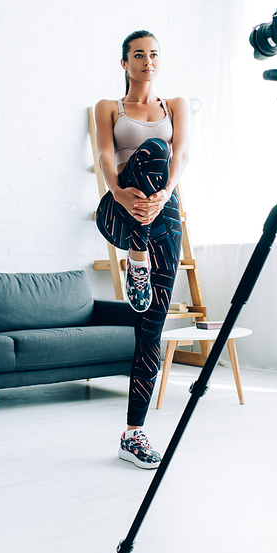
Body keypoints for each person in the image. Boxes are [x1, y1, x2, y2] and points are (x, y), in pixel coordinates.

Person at [94, 30, 189, 469]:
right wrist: (118, 191)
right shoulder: (108, 108)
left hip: (164, 219)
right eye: (138, 54)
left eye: (153, 53)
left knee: (150, 331)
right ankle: (136, 258)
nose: (147, 60)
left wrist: (166, 193)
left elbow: (182, 155)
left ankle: (134, 434)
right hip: (119, 211)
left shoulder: (176, 106)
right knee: (152, 148)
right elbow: (106, 155)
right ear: (124, 63)